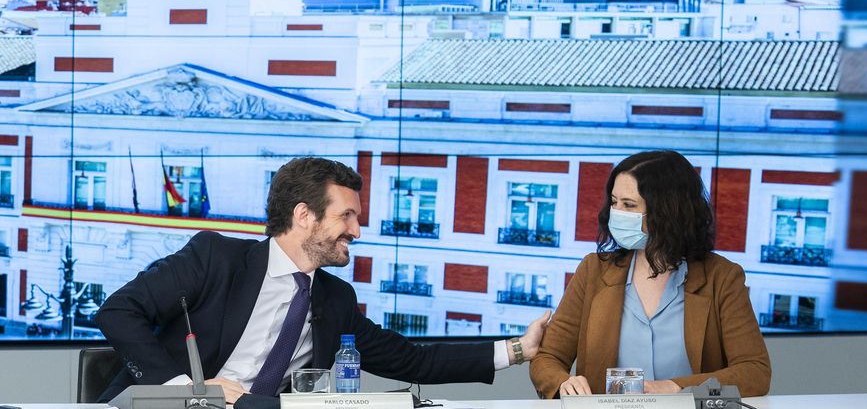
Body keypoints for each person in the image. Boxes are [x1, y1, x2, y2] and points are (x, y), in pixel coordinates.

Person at [96, 157, 549, 404]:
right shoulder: (216, 258)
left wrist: (517, 351)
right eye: (346, 216)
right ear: (303, 216)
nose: (357, 231)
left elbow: (413, 362)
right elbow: (118, 312)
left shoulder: (334, 298)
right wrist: (187, 393)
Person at [529, 150, 770, 398]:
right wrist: (563, 383)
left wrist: (676, 387)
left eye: (629, 205)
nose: (617, 212)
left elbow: (754, 372)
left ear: (668, 210)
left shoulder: (723, 277)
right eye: (614, 202)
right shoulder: (593, 270)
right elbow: (548, 358)